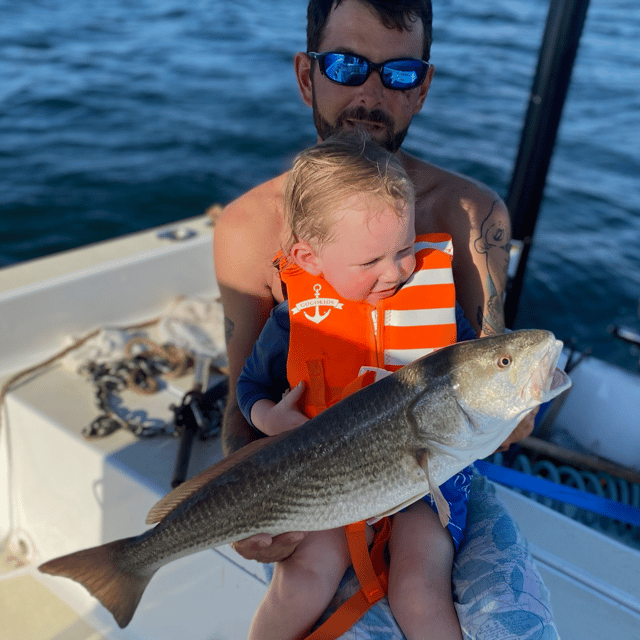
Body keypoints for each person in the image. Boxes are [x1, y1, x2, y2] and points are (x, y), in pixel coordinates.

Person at [214, 1, 557, 638]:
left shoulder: (472, 213)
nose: (372, 93)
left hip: (439, 477)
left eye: (398, 73)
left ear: (422, 86)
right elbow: (245, 403)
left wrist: (523, 405)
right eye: (347, 65)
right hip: (309, 490)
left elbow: (497, 374)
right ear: (306, 74)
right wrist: (254, 521)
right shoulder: (248, 226)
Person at [237, 133, 474, 640]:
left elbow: (477, 370)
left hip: (423, 479)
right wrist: (268, 419)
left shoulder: (436, 304)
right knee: (303, 577)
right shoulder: (294, 319)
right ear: (309, 257)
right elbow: (251, 384)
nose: (396, 271)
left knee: (418, 586)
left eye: (406, 248)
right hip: (335, 482)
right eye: (370, 262)